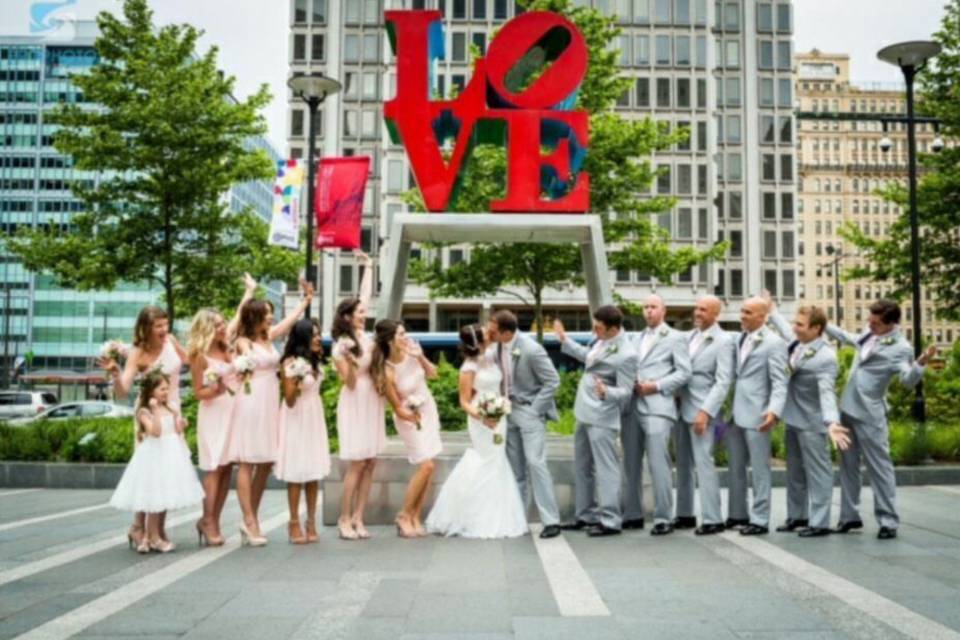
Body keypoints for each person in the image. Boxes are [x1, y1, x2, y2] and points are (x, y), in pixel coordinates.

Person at [826, 299, 934, 539]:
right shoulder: (868, 332)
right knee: (847, 467)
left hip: (870, 413)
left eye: (875, 322)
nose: (869, 324)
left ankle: (888, 521)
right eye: (869, 320)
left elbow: (907, 381)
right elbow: (847, 337)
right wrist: (823, 324)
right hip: (847, 408)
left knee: (880, 468)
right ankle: (849, 517)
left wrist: (921, 363)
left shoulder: (901, 347)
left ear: (891, 323)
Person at [227, 276, 313, 546]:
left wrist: (305, 302)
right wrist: (248, 291)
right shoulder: (243, 342)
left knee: (265, 461)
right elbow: (237, 351)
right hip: (250, 401)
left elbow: (288, 324)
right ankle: (250, 521)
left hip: (269, 402)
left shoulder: (269, 339)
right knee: (248, 459)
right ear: (255, 318)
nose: (272, 319)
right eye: (267, 316)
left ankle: (250, 515)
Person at [426, 324, 528, 539]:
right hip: (480, 415)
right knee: (485, 459)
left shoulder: (491, 355)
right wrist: (484, 417)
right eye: (485, 334)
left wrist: (499, 409)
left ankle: (496, 514)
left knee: (497, 460)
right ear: (479, 342)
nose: (490, 334)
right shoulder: (468, 367)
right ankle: (468, 515)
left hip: (499, 414)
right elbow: (464, 401)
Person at [98, 305, 187, 548]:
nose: (163, 329)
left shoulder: (170, 341)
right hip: (150, 413)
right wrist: (115, 374)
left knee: (169, 469)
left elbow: (187, 359)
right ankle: (143, 528)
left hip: (172, 409)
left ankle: (153, 528)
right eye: (158, 326)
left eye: (165, 324)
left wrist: (177, 344)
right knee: (151, 471)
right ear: (145, 328)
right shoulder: (138, 352)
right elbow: (123, 390)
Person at [767, 301, 848, 538]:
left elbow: (827, 393)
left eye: (800, 325)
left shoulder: (826, 357)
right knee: (794, 471)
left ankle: (820, 522)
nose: (795, 328)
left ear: (817, 329)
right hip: (792, 419)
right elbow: (784, 329)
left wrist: (831, 422)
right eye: (795, 323)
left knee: (818, 473)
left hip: (813, 423)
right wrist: (772, 311)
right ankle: (797, 516)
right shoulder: (797, 344)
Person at [555, 306, 636, 537]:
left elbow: (627, 392)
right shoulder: (599, 341)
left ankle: (610, 520)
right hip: (584, 412)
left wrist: (606, 392)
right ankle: (585, 515)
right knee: (582, 467)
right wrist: (565, 340)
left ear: (613, 328)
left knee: (606, 469)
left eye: (598, 327)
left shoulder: (627, 354)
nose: (593, 329)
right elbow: (589, 358)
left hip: (603, 416)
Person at [486, 310, 562, 539]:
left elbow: (553, 381)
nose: (490, 331)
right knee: (516, 469)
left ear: (506, 332)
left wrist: (535, 410)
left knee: (536, 463)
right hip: (508, 414)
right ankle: (518, 519)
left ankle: (551, 521)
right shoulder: (496, 349)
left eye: (493, 329)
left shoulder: (531, 349)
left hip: (529, 411)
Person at [109, 371, 203, 553]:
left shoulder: (169, 406)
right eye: (161, 389)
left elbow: (175, 429)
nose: (165, 392)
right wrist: (155, 412)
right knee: (155, 495)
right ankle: (152, 537)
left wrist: (180, 422)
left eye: (167, 388)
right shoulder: (144, 411)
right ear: (151, 391)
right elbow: (156, 432)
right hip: (155, 455)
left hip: (170, 453)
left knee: (164, 494)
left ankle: (154, 535)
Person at [623, 295, 691, 536]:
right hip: (631, 407)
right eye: (645, 307)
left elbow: (684, 372)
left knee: (658, 464)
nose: (648, 311)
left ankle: (663, 517)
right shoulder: (634, 338)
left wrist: (657, 385)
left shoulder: (675, 338)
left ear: (664, 310)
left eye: (653, 307)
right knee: (630, 464)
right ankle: (632, 514)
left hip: (658, 407)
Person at [371, 319, 443, 537]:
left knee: (431, 466)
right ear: (390, 340)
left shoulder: (412, 354)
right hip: (409, 418)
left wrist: (419, 356)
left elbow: (433, 374)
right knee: (426, 466)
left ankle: (415, 516)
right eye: (400, 334)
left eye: (405, 333)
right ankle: (403, 514)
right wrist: (412, 415)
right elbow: (397, 409)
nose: (405, 337)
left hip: (428, 411)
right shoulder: (387, 369)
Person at [331, 252, 385, 540]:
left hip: (372, 400)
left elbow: (364, 296)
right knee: (357, 462)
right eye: (360, 313)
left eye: (365, 312)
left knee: (371, 461)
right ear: (347, 317)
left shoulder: (366, 338)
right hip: (354, 400)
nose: (364, 315)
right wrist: (350, 362)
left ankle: (359, 517)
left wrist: (368, 266)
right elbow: (349, 383)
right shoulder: (341, 345)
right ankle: (343, 517)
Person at [726, 296, 788, 535]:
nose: (742, 316)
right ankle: (737, 514)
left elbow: (779, 383)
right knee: (735, 466)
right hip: (734, 413)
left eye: (748, 312)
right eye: (742, 311)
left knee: (760, 470)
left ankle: (760, 519)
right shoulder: (739, 338)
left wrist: (773, 411)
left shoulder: (774, 343)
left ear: (763, 317)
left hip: (758, 414)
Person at [675, 296, 735, 536]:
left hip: (702, 410)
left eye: (703, 309)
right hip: (680, 408)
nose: (697, 313)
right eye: (696, 308)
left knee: (704, 463)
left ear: (716, 314)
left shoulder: (724, 341)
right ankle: (685, 513)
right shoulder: (688, 336)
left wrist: (705, 412)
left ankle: (713, 518)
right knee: (683, 465)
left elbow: (723, 382)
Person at [275, 318, 330, 544]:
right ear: (303, 337)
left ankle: (311, 522)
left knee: (313, 471)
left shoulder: (315, 360)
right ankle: (294, 522)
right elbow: (288, 401)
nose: (318, 338)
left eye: (318, 335)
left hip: (314, 415)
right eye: (314, 335)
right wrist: (295, 381)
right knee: (297, 472)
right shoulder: (290, 362)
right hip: (296, 415)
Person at [187, 308, 239, 547]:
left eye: (223, 323)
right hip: (213, 413)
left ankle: (213, 520)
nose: (222, 327)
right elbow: (198, 392)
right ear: (207, 328)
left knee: (227, 468)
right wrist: (217, 388)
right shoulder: (199, 355)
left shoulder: (226, 348)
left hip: (232, 410)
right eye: (217, 325)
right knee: (215, 467)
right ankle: (207, 520)